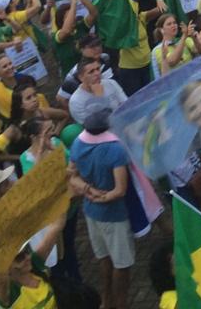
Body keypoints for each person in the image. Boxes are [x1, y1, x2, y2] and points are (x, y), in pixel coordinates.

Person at [69, 108, 135, 309]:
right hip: (113, 215)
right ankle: (121, 304)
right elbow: (120, 189)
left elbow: (71, 175)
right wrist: (103, 197)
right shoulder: (115, 150)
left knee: (104, 258)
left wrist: (88, 190)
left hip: (90, 212)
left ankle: (106, 301)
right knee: (122, 264)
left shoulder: (78, 143)